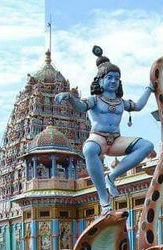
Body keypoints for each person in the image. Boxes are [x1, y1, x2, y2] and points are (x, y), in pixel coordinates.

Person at [54, 46, 155, 214]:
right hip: (99, 138)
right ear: (100, 81)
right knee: (89, 149)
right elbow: (80, 107)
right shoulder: (95, 100)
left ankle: (112, 176)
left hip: (116, 139)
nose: (114, 81)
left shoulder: (121, 102)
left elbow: (137, 106)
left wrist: (149, 89)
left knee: (147, 146)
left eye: (117, 78)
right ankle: (103, 199)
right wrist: (70, 98)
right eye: (109, 78)